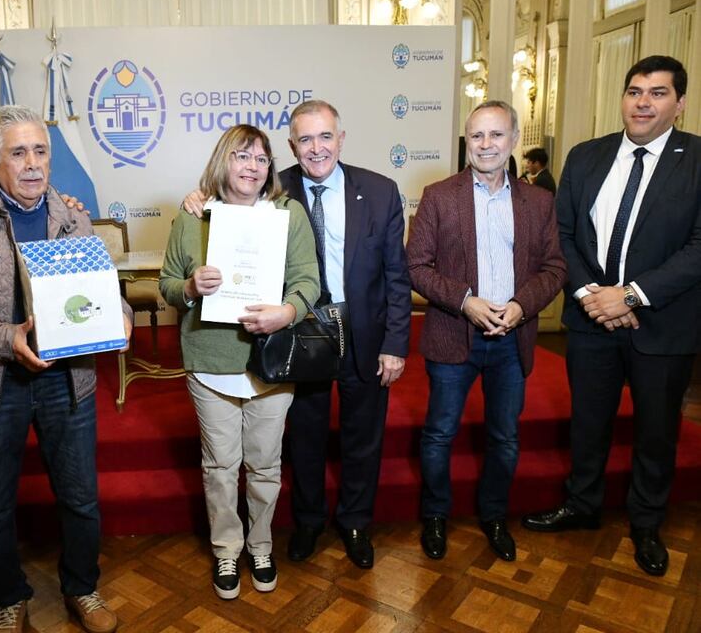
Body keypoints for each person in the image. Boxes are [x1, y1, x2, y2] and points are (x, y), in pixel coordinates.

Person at [0, 105, 131, 633]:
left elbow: (104, 289)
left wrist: (120, 316)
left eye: (40, 151)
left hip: (67, 381)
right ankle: (7, 597)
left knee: (80, 498)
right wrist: (6, 338)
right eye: (18, 153)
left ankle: (83, 588)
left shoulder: (73, 216)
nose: (33, 163)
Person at [182, 101, 411, 569]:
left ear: (341, 139)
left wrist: (395, 344)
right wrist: (197, 198)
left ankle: (354, 522)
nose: (316, 148)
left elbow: (397, 277)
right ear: (292, 147)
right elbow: (224, 198)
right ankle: (307, 522)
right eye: (305, 140)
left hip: (363, 331)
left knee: (363, 434)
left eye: (325, 137)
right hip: (298, 333)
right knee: (304, 435)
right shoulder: (273, 189)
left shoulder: (382, 191)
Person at [523, 55, 701, 577]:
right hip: (590, 320)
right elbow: (564, 233)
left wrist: (632, 295)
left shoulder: (697, 160)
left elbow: (698, 247)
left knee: (655, 431)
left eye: (658, 93)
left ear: (680, 103)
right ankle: (582, 505)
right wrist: (591, 295)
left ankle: (646, 522)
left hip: (662, 324)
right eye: (635, 91)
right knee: (589, 423)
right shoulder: (586, 156)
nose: (643, 101)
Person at [161, 125, 319, 599]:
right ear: (222, 161)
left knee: (267, 465)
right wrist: (190, 287)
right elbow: (168, 283)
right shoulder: (193, 216)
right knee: (221, 466)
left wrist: (287, 311)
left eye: (261, 159)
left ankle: (262, 543)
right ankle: (227, 548)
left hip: (272, 362)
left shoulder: (287, 214)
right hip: (211, 363)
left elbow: (308, 280)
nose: (253, 167)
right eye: (242, 156)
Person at [407, 101, 567, 562]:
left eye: (496, 135)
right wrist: (465, 302)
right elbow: (415, 266)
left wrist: (520, 306)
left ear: (514, 139)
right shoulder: (439, 196)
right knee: (439, 434)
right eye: (477, 136)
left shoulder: (539, 202)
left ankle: (494, 515)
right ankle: (435, 515)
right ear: (466, 141)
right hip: (453, 336)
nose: (486, 145)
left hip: (511, 341)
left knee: (505, 437)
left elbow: (555, 268)